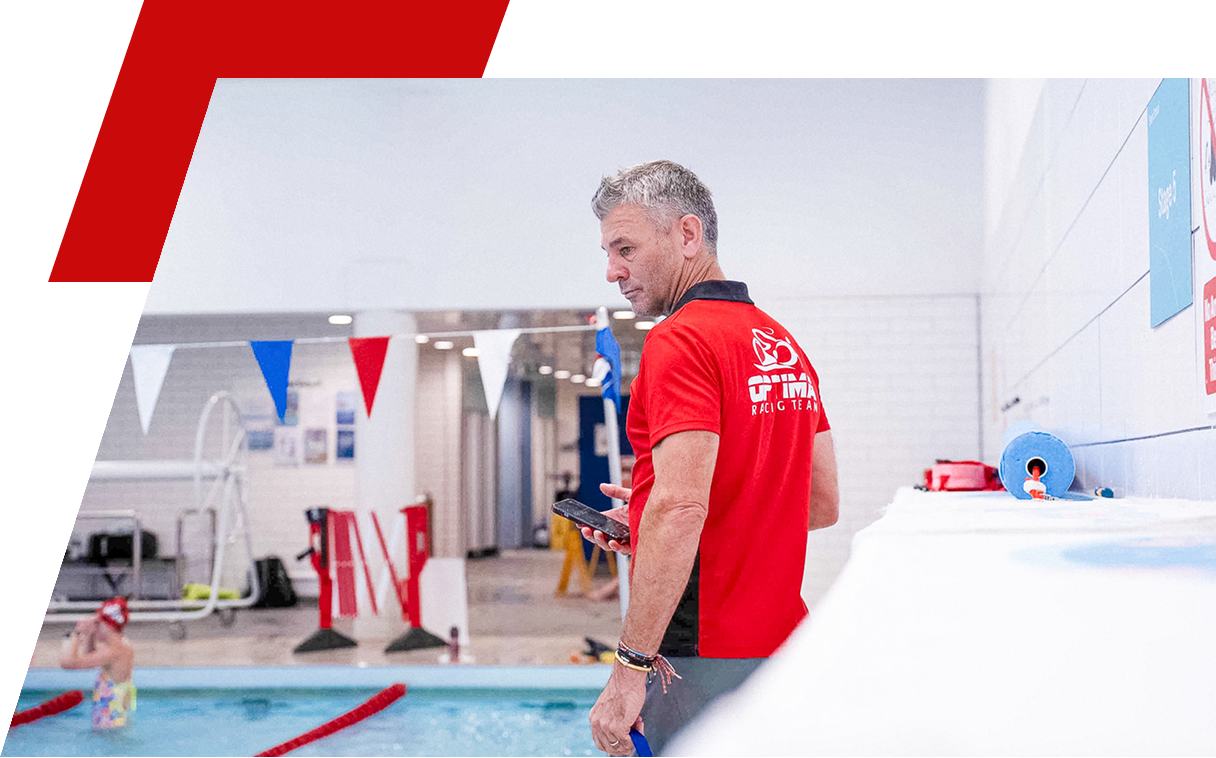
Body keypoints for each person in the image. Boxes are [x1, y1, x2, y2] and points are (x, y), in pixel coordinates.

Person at [580, 160, 840, 755]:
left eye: (625, 248)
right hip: (778, 650)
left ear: (688, 235)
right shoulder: (780, 342)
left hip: (697, 659)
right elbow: (819, 505)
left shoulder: (679, 339)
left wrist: (627, 669)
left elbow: (681, 508)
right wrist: (646, 520)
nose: (612, 270)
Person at [59, 596, 136, 729]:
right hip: (115, 719)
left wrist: (74, 634)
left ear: (107, 625)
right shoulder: (123, 643)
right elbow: (90, 657)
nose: (95, 627)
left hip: (111, 725)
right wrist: (89, 635)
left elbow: (68, 663)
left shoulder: (113, 651)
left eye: (97, 624)